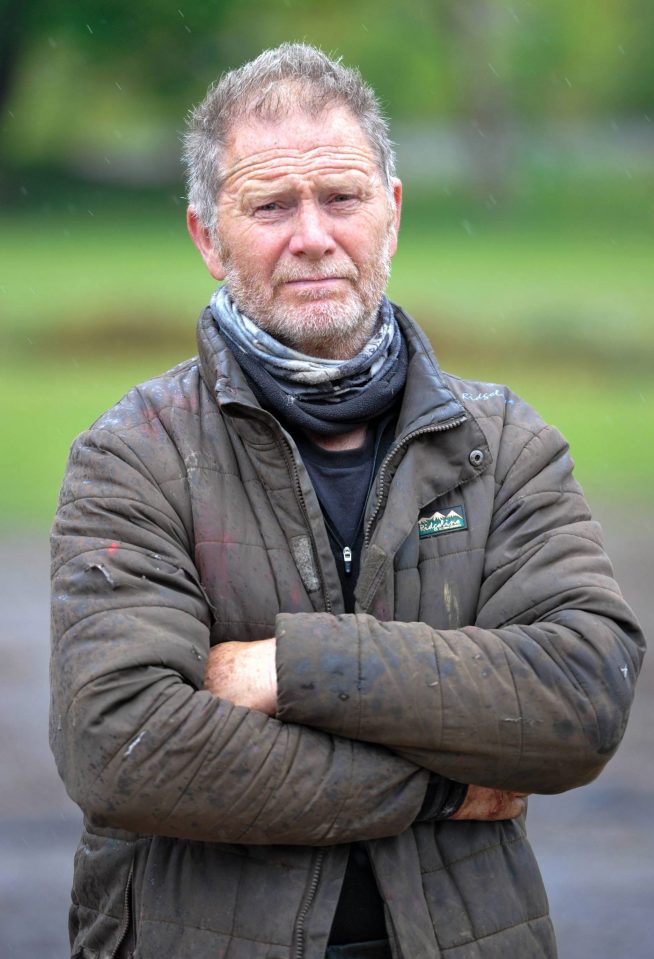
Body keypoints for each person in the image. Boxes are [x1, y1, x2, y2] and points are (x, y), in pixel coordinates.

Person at [50, 43, 644, 959]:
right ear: (208, 235)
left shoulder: (506, 445)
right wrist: (445, 786)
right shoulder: (131, 456)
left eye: (342, 198)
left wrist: (290, 668)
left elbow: (579, 699)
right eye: (272, 205)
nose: (314, 235)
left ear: (392, 213)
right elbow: (121, 744)